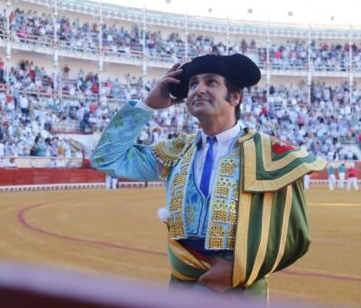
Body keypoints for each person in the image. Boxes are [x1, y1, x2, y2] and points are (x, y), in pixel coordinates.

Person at [91, 54, 325, 296]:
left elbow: (295, 236)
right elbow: (107, 158)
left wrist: (239, 269)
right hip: (182, 287)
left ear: (235, 97)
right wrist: (146, 106)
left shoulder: (270, 154)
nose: (198, 90)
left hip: (240, 290)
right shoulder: (175, 152)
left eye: (211, 82)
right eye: (193, 84)